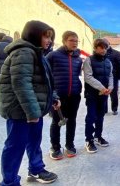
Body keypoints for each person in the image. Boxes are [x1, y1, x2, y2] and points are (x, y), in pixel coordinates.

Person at [0, 20, 60, 185]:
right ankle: (9, 182)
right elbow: (21, 84)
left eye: (50, 37)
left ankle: (36, 169)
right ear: (33, 34)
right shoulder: (24, 52)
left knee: (34, 141)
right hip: (20, 111)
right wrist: (32, 113)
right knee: (15, 147)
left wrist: (52, 98)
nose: (49, 40)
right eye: (45, 36)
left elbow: (44, 81)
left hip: (33, 109)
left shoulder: (36, 52)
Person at [46, 31, 83, 160]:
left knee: (71, 120)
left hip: (74, 96)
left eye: (76, 41)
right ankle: (55, 147)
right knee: (56, 121)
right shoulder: (53, 56)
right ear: (64, 41)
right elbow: (46, 77)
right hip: (58, 97)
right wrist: (53, 95)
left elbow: (77, 75)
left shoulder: (78, 59)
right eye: (72, 40)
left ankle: (70, 145)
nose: (75, 43)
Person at [83, 38, 113, 153]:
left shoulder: (108, 62)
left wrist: (110, 87)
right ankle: (89, 140)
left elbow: (111, 76)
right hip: (92, 94)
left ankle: (98, 136)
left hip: (104, 94)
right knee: (91, 117)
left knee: (101, 116)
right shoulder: (89, 60)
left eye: (105, 48)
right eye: (101, 47)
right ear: (95, 48)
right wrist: (101, 87)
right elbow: (88, 77)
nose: (103, 50)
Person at [105, 40, 120, 115]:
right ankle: (104, 109)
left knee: (113, 94)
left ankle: (114, 108)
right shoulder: (101, 52)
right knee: (104, 93)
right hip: (103, 77)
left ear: (109, 44)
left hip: (114, 77)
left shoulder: (116, 53)